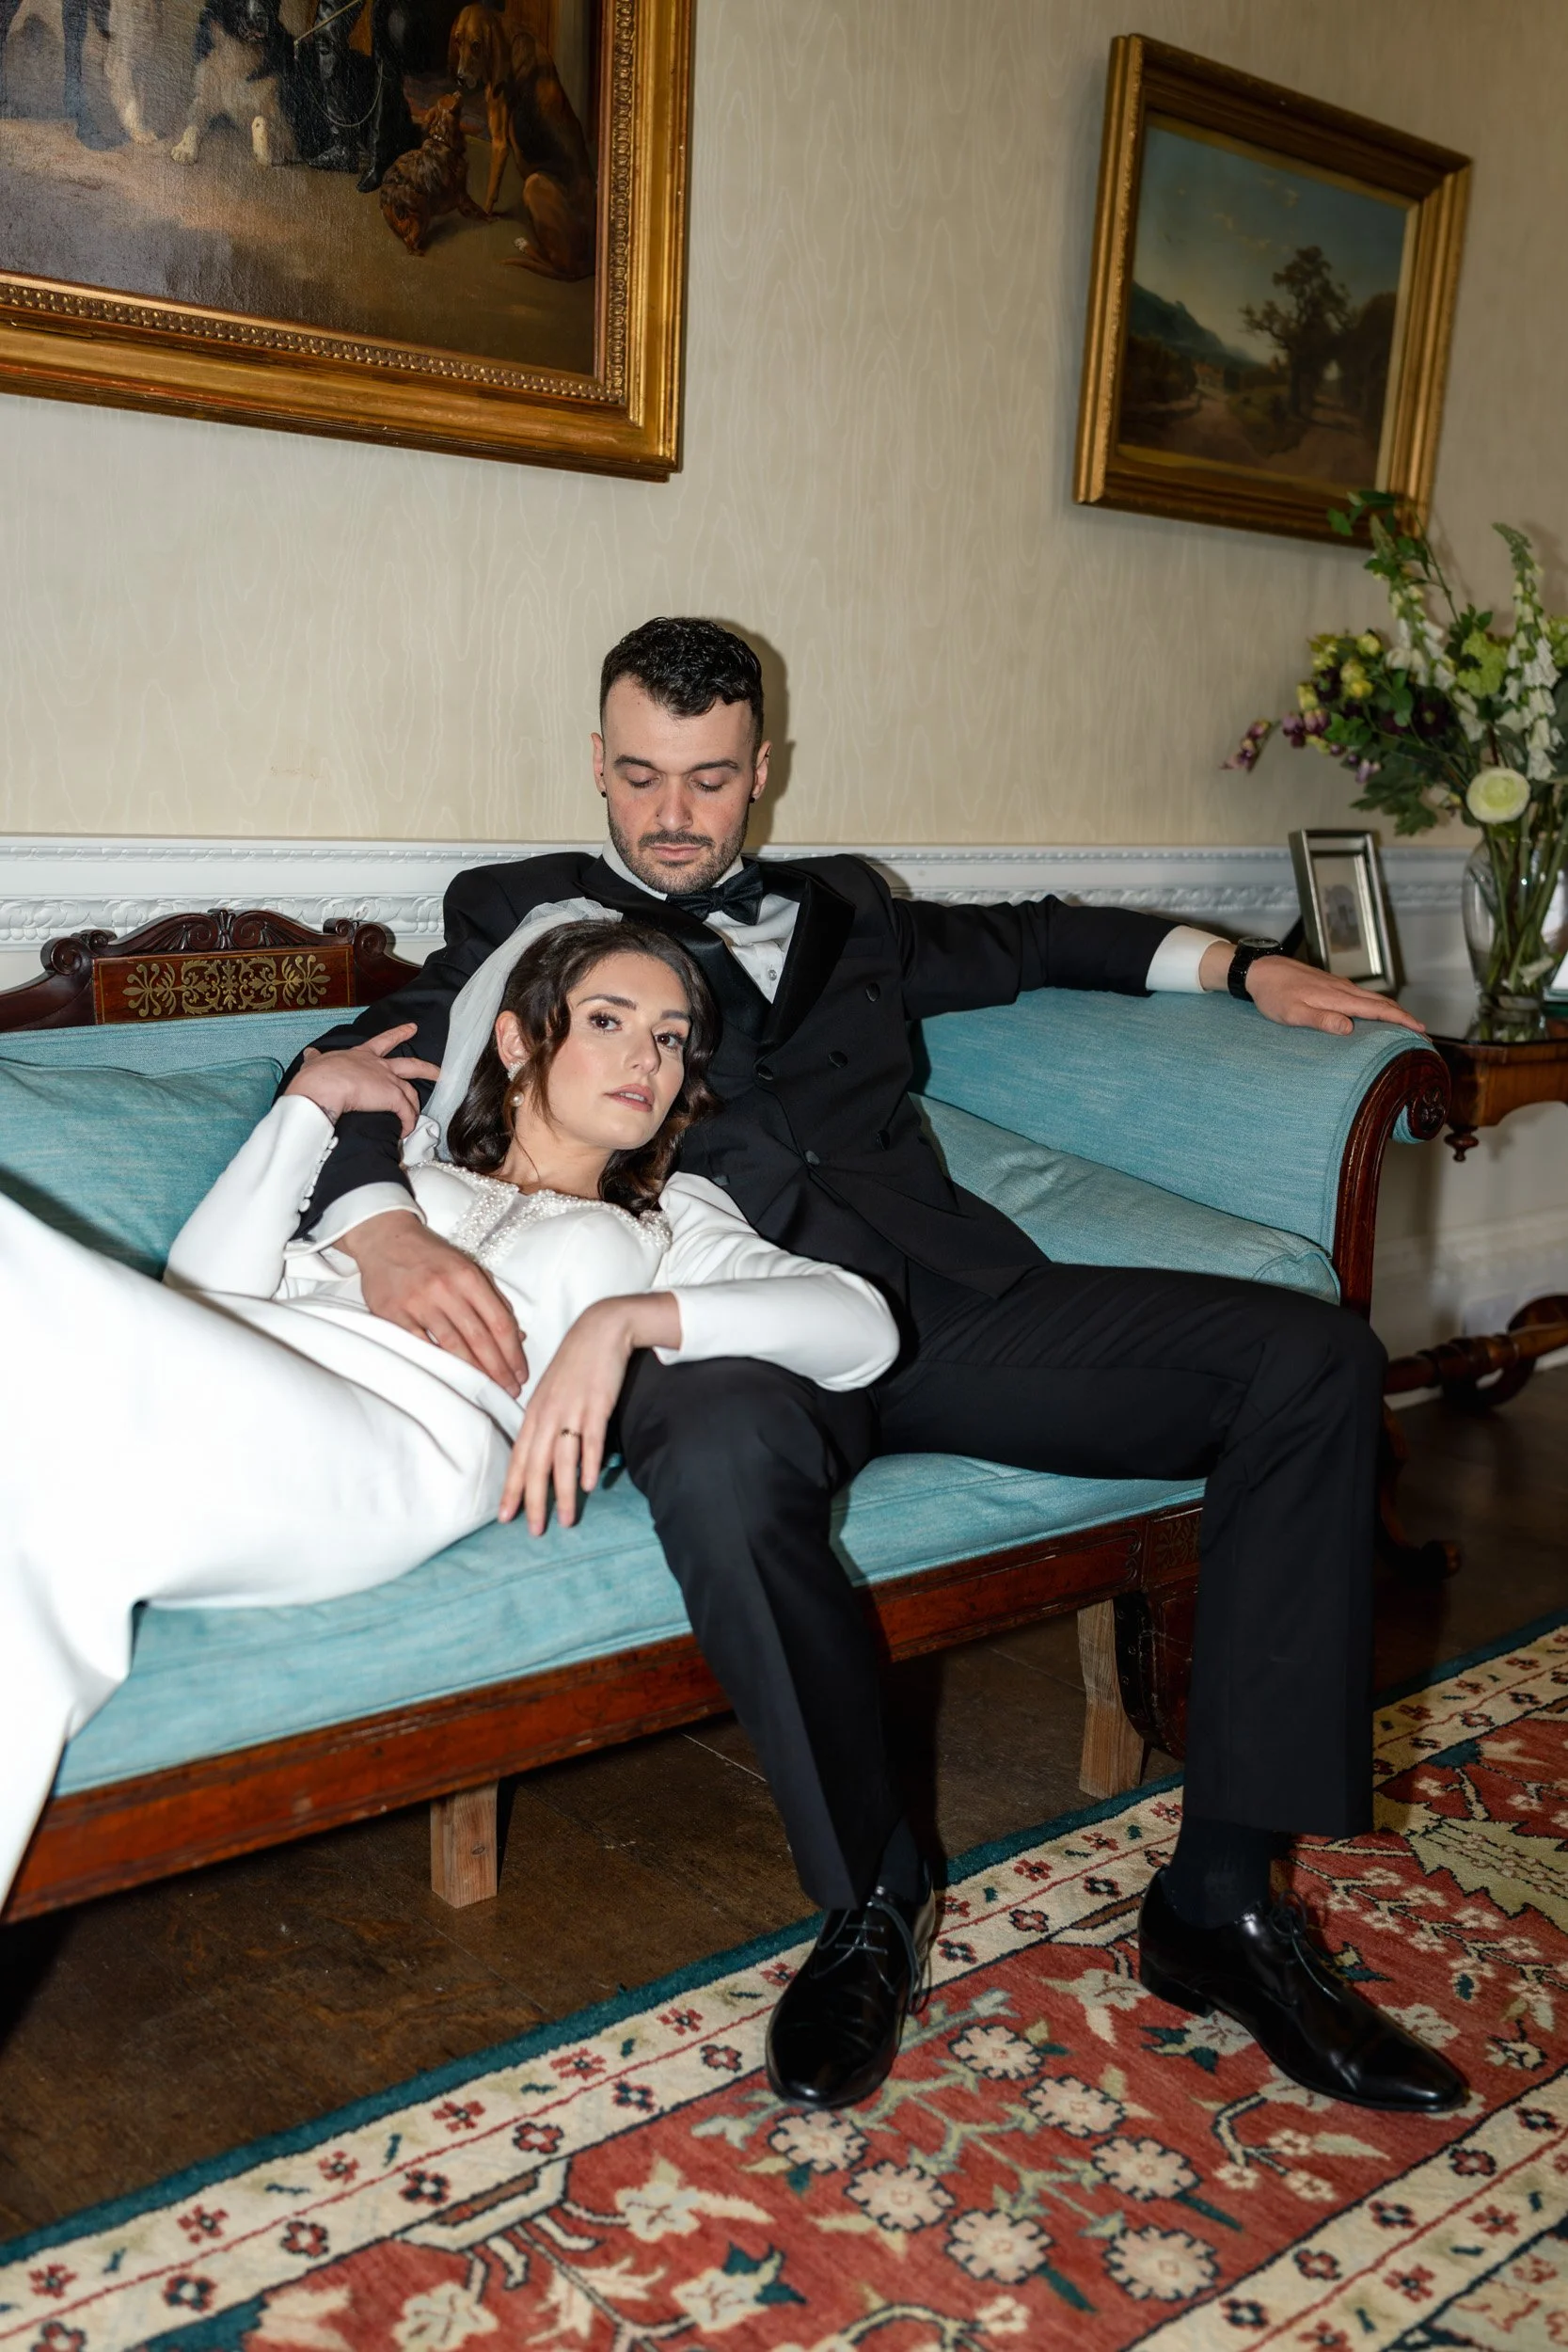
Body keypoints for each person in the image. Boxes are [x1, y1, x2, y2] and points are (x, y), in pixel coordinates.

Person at [294, 616, 1465, 2119]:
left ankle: (1220, 1901)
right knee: (714, 1457)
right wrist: (381, 1226)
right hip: (717, 1323)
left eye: (707, 781)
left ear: (760, 773)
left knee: (1308, 1360)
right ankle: (870, 1895)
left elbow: (1045, 934)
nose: (669, 814)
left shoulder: (846, 907)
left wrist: (1247, 971)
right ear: (594, 765)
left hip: (948, 1305)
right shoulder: (526, 918)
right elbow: (351, 1065)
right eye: (639, 775)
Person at [0, 918, 898, 1907]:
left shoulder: (668, 1220)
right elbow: (205, 1288)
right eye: (609, 1019)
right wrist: (309, 1102)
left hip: (396, 1448)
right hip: (236, 1376)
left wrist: (621, 1321)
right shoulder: (403, 1162)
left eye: (672, 1036)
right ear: (517, 1040)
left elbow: (858, 1327)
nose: (646, 1055)